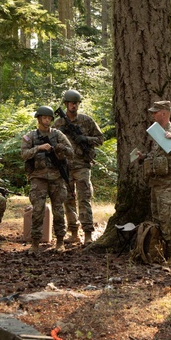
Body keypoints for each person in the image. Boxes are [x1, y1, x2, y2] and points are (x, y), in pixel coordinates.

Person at [135, 100, 171, 267]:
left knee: (169, 218)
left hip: (169, 184)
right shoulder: (157, 133)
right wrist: (144, 157)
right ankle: (160, 253)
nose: (153, 115)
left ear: (163, 113)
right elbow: (158, 156)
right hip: (156, 184)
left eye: (155, 112)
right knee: (158, 218)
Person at [53, 89, 105, 245]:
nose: (73, 105)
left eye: (76, 103)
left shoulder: (86, 121)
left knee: (84, 199)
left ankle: (88, 233)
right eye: (71, 103)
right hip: (65, 166)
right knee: (68, 200)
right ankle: (73, 232)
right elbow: (52, 143)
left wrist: (85, 138)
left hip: (82, 165)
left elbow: (100, 139)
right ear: (66, 104)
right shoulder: (58, 124)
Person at [21, 106, 74, 253]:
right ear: (38, 119)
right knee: (37, 210)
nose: (47, 121)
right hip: (38, 178)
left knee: (58, 211)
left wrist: (59, 148)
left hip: (57, 178)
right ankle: (35, 243)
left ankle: (60, 241)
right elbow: (24, 154)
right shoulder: (30, 136)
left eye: (50, 118)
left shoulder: (58, 135)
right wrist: (39, 148)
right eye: (44, 118)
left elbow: (71, 152)